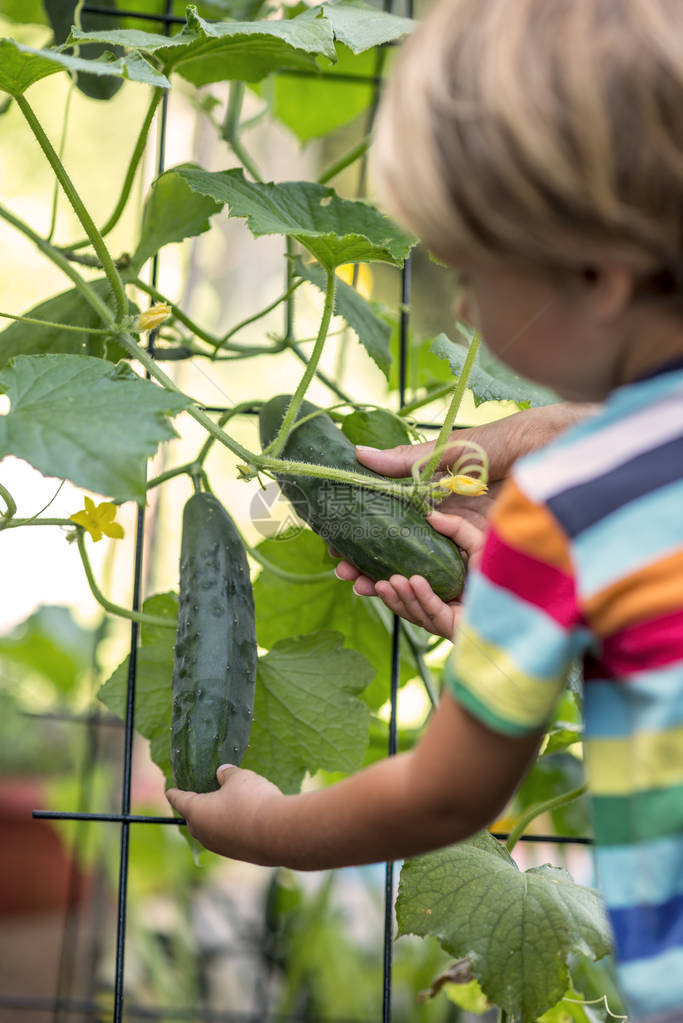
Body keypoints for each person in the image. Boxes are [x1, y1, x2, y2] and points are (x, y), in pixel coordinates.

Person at [167, 0, 683, 1017]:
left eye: (470, 272)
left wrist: (269, 827)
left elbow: (450, 791)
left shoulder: (564, 509)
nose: (458, 308)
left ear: (596, 277)